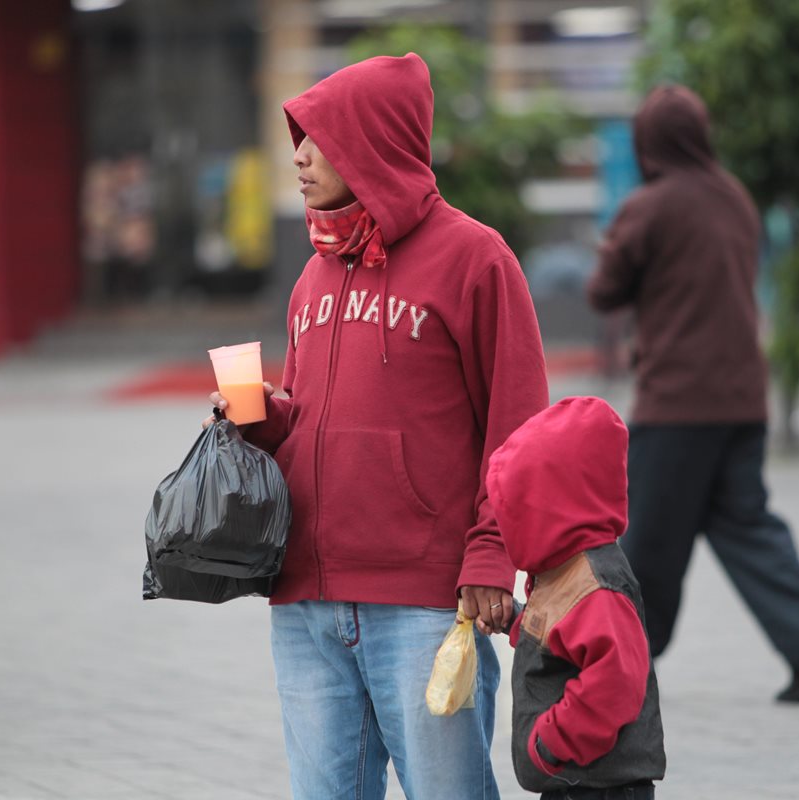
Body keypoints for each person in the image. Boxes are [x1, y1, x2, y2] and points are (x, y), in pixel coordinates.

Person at [204, 53, 548, 798]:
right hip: (306, 607)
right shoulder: (312, 275)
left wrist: (492, 555)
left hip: (424, 609)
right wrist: (261, 420)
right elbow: (308, 418)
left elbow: (519, 430)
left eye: (318, 137)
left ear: (374, 143)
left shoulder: (475, 260)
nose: (297, 155)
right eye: (297, 136)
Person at [586, 84, 799, 703]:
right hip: (742, 402)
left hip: (678, 405)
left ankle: (618, 670)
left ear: (649, 143)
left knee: (647, 541)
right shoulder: (736, 197)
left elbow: (603, 290)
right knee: (749, 527)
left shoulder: (648, 207)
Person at [490, 396, 665, 799]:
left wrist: (550, 743)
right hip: (571, 781)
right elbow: (562, 641)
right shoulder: (564, 567)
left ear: (551, 506)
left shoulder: (596, 585)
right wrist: (515, 620)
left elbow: (616, 680)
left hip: (598, 786)